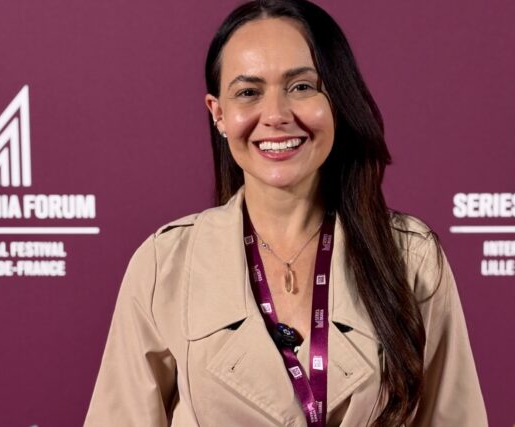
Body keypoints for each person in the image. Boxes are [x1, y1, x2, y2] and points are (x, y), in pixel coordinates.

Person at [84, 1, 487, 426]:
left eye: (301, 87)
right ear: (219, 114)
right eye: (248, 92)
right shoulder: (164, 267)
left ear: (338, 101)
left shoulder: (411, 259)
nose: (276, 115)